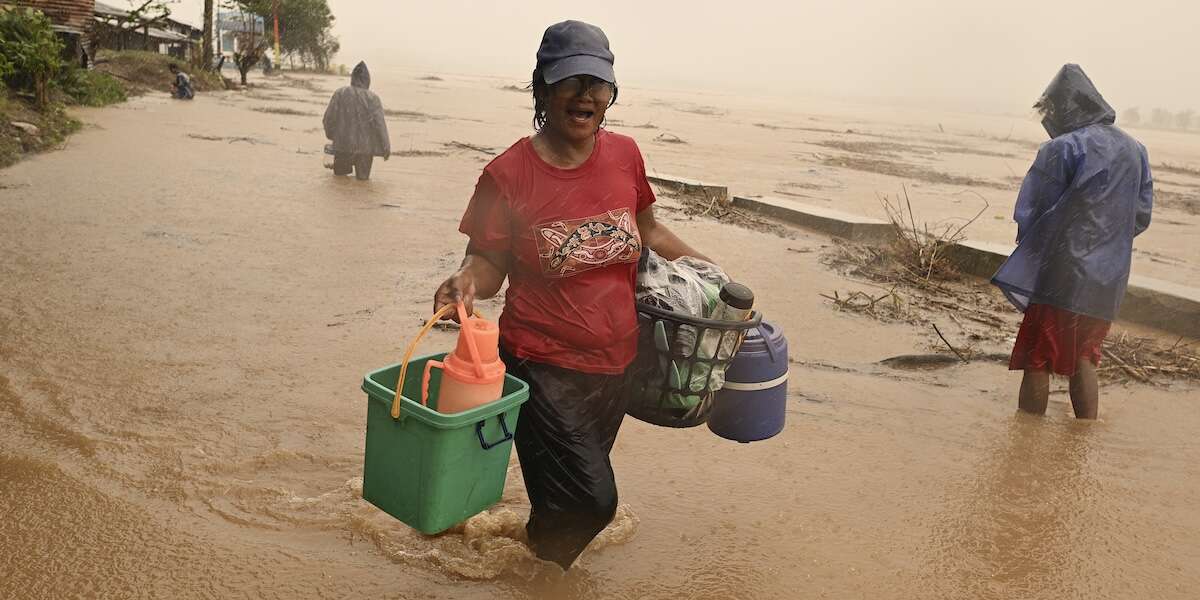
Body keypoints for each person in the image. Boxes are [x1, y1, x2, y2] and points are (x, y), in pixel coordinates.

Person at [432, 20, 710, 569]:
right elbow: (488, 263)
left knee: (565, 504)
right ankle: (540, 575)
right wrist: (466, 282)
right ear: (541, 87)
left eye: (598, 83)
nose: (585, 93)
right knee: (594, 501)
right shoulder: (508, 174)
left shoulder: (625, 155)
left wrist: (712, 273)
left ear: (610, 94)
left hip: (616, 367)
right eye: (570, 80)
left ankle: (530, 568)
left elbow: (649, 232)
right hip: (541, 367)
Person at [991, 64, 1153, 420]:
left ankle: (1026, 442)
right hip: (1108, 278)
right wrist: (1104, 247)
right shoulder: (1135, 149)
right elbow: (1139, 217)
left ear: (1067, 107)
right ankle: (1082, 439)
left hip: (1062, 275)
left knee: (1038, 357)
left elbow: (1032, 211)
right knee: (1085, 356)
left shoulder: (1062, 148)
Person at [322, 62, 390, 181]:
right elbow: (380, 125)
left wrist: (333, 136)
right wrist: (386, 147)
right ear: (367, 80)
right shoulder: (373, 99)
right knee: (363, 184)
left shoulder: (340, 93)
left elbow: (328, 119)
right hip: (366, 149)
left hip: (342, 145)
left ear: (352, 78)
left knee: (339, 182)